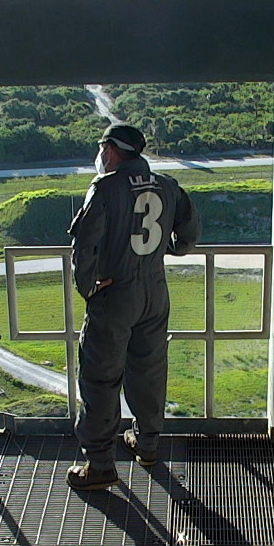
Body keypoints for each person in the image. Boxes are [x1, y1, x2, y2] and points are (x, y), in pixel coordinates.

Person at [66, 124, 202, 490]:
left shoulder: (105, 187)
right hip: (155, 291)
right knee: (149, 369)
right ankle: (147, 445)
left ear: (111, 151)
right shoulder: (167, 185)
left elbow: (85, 245)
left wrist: (88, 289)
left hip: (115, 294)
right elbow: (188, 235)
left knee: (100, 378)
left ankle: (99, 465)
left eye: (102, 149)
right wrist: (165, 252)